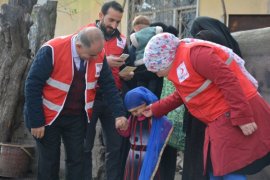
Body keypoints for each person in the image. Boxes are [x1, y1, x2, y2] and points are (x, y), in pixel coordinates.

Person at [141, 32, 270, 179]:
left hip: (234, 113)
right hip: (220, 119)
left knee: (231, 169)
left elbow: (229, 82)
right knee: (216, 169)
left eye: (157, 69)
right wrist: (155, 109)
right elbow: (182, 94)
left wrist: (243, 117)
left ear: (165, 59)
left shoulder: (197, 55)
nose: (157, 75)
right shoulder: (179, 62)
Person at [24, 27, 128, 180]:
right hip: (47, 116)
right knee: (49, 162)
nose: (95, 58)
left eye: (97, 54)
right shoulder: (52, 49)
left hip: (77, 117)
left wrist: (119, 114)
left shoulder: (98, 54)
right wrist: (36, 121)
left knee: (77, 161)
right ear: (79, 46)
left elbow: (109, 86)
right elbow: (32, 85)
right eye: (91, 55)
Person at [181, 16, 246, 180]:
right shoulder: (230, 49)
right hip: (228, 120)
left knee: (205, 166)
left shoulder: (201, 52)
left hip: (204, 118)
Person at [81, 1, 133, 180]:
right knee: (85, 145)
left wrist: (127, 74)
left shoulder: (123, 40)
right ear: (101, 15)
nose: (114, 25)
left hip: (113, 97)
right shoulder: (85, 33)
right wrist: (104, 61)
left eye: (118, 22)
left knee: (115, 146)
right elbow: (78, 62)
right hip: (90, 96)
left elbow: (127, 65)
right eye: (111, 20)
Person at [118, 86, 173, 180]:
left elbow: (166, 127)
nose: (135, 113)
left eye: (137, 110)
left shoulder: (155, 119)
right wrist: (122, 127)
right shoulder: (133, 118)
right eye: (132, 112)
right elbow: (127, 134)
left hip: (148, 158)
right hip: (132, 159)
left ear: (145, 103)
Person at [129, 15, 164, 98]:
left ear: (136, 27)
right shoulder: (155, 32)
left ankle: (141, 101)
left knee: (140, 85)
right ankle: (151, 100)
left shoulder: (135, 37)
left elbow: (132, 53)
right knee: (153, 83)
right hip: (153, 64)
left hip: (139, 66)